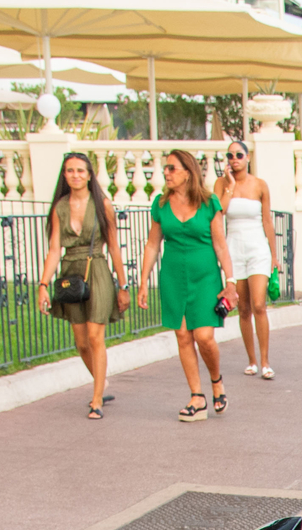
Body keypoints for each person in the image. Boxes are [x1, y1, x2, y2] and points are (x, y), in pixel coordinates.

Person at [137, 149, 235, 423]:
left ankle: (216, 381)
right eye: (165, 168)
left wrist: (230, 282)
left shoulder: (208, 202)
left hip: (204, 276)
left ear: (188, 172)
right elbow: (153, 243)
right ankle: (197, 398)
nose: (166, 173)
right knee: (182, 335)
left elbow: (220, 244)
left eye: (172, 168)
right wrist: (144, 280)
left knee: (204, 337)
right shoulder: (160, 204)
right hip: (173, 276)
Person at [35, 152, 127, 421]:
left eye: (80, 170)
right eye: (70, 171)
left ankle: (96, 399)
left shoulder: (102, 205)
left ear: (89, 174)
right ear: (64, 175)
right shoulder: (60, 207)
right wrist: (43, 285)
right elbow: (54, 250)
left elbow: (114, 247)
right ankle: (102, 381)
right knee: (81, 342)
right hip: (69, 273)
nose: (75, 175)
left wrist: (123, 285)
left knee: (96, 337)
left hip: (96, 269)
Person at [218, 138, 277, 379]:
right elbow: (218, 212)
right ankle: (251, 360)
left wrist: (274, 255)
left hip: (257, 249)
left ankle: (265, 361)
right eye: (230, 156)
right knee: (243, 309)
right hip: (234, 248)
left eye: (239, 155)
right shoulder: (221, 183)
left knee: (259, 304)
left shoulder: (260, 185)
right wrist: (230, 186)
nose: (234, 160)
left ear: (248, 157)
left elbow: (267, 221)